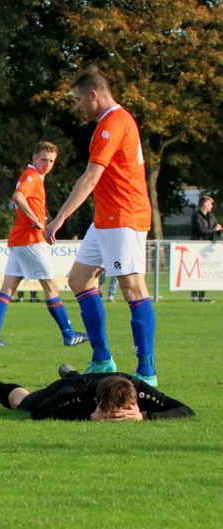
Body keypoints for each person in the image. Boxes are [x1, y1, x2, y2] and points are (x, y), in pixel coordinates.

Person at [44, 67, 157, 385]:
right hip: (105, 218)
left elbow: (91, 177)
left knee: (133, 288)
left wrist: (60, 218)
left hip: (124, 215)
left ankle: (147, 371)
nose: (78, 105)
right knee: (79, 280)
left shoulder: (113, 124)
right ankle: (102, 358)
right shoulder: (109, 123)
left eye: (79, 99)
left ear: (94, 94)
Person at [0, 141, 87, 347]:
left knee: (8, 288)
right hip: (30, 239)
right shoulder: (31, 176)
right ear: (34, 158)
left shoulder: (36, 177)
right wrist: (36, 221)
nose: (47, 164)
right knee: (51, 285)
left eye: (51, 161)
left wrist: (43, 222)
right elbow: (18, 197)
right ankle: (68, 334)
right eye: (43, 159)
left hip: (21, 239)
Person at [0, 364, 194, 421]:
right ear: (97, 401)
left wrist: (145, 416)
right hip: (75, 384)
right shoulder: (76, 392)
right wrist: (88, 417)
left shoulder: (140, 389)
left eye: (125, 411)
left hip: (89, 381)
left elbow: (186, 411)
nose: (118, 417)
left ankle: (71, 371)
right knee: (23, 403)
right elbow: (41, 412)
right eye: (112, 412)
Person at [190, 194, 221, 302]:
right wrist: (214, 229)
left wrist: (220, 232)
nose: (212, 206)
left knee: (204, 271)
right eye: (210, 203)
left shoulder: (211, 216)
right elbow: (201, 230)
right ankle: (194, 295)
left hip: (207, 248)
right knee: (195, 271)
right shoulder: (196, 216)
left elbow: (218, 227)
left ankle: (202, 295)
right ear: (204, 204)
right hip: (196, 247)